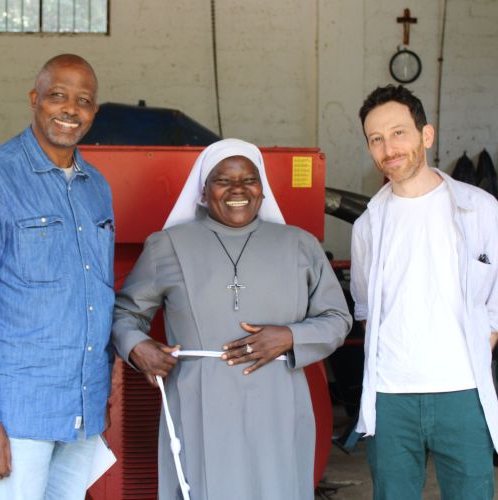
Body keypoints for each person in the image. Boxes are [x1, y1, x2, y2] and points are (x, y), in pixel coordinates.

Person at [111, 138, 352, 500]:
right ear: (204, 193)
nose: (237, 189)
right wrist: (137, 346)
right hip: (200, 403)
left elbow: (337, 317)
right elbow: (125, 313)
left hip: (278, 401)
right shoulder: (168, 245)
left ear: (262, 189)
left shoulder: (300, 244)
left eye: (248, 180)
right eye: (223, 180)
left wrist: (290, 337)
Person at [0, 54, 114, 500]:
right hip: (18, 411)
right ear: (35, 99)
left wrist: (98, 395)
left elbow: (99, 295)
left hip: (81, 406)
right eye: (58, 95)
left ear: (94, 112)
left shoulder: (96, 186)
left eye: (84, 101)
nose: (70, 110)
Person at [350, 85, 498, 499]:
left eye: (398, 133)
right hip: (391, 398)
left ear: (426, 135)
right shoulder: (367, 225)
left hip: (461, 393)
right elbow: (367, 306)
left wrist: (477, 347)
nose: (388, 148)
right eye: (376, 139)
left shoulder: (479, 210)